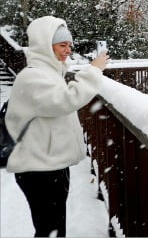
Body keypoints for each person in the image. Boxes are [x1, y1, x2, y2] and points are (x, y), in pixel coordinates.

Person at [5, 16, 109, 237]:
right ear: (45, 46)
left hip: (49, 164)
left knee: (52, 228)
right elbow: (65, 100)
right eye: (62, 45)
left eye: (69, 45)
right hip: (38, 168)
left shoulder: (50, 74)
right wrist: (94, 71)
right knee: (50, 230)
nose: (68, 50)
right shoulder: (32, 77)